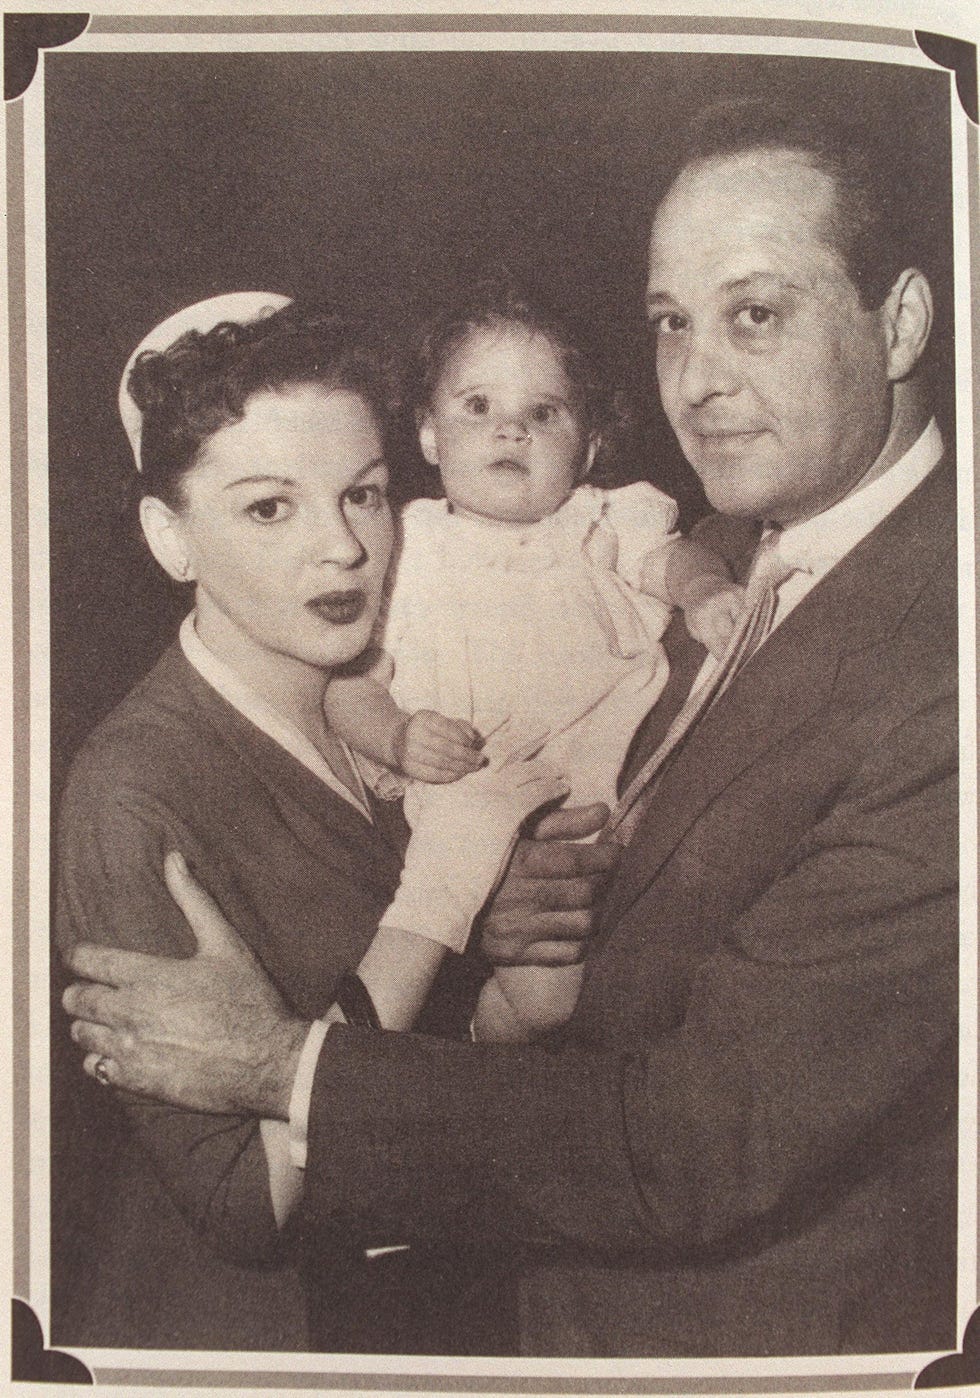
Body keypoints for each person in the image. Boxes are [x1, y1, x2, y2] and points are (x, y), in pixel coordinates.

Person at [64, 98, 959, 1357]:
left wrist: (289, 1064)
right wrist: (497, 905)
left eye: (754, 312)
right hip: (467, 1308)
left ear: (902, 319)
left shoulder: (940, 670)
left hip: (729, 1344)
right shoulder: (716, 542)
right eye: (668, 322)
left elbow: (708, 1139)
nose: (698, 379)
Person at [53, 293, 580, 1352]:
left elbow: (412, 1055)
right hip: (270, 1342)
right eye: (267, 508)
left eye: (366, 495)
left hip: (444, 1297)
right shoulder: (133, 791)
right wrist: (438, 898)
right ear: (170, 537)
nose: (342, 548)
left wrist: (511, 1002)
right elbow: (248, 1203)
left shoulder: (395, 703)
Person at [325, 276, 743, 1039]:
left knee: (655, 965)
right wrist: (397, 735)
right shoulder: (408, 547)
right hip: (471, 788)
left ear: (586, 448)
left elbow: (668, 561)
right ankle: (463, 1035)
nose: (509, 431)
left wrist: (706, 591)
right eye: (477, 407)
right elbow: (347, 687)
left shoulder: (599, 519)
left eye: (542, 414)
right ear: (427, 435)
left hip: (603, 773)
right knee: (550, 1000)